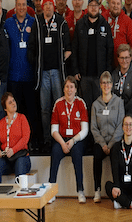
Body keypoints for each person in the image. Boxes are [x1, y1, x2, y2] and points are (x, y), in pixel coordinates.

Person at [28, 0, 72, 150]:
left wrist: (60, 61)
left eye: (50, 4)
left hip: (57, 73)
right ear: (42, 6)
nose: (48, 7)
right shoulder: (37, 22)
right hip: (43, 74)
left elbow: (68, 49)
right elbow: (31, 45)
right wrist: (36, 61)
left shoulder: (61, 22)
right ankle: (47, 139)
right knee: (45, 109)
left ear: (54, 7)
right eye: (45, 4)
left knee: (59, 107)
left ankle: (60, 137)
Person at [4, 0, 38, 148]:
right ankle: (16, 141)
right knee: (15, 112)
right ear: (15, 7)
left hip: (29, 75)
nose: (22, 7)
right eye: (19, 5)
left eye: (24, 5)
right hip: (13, 76)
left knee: (31, 111)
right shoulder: (8, 23)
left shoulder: (33, 21)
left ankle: (30, 141)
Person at [71, 0, 113, 116]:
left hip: (100, 77)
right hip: (84, 76)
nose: (93, 8)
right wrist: (76, 70)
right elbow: (75, 49)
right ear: (87, 7)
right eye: (91, 5)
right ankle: (87, 134)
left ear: (99, 7)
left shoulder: (105, 25)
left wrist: (107, 72)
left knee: (100, 107)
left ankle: (98, 134)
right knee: (85, 107)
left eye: (96, 5)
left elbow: (109, 50)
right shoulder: (80, 25)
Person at [49, 76, 89, 204]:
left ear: (76, 89)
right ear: (63, 89)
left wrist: (72, 141)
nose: (69, 90)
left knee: (77, 155)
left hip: (76, 139)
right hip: (61, 139)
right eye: (67, 87)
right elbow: (53, 130)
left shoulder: (81, 103)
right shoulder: (58, 103)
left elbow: (85, 130)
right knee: (54, 154)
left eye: (72, 87)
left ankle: (80, 190)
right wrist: (62, 143)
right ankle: (51, 190)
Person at [91, 71, 125, 202]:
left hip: (114, 141)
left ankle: (117, 188)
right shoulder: (95, 104)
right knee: (96, 156)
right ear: (100, 85)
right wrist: (103, 144)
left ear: (112, 85)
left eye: (108, 82)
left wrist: (110, 145)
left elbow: (121, 126)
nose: (106, 85)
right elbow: (93, 127)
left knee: (116, 157)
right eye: (103, 83)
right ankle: (97, 190)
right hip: (100, 142)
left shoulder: (119, 102)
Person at [105, 115, 132, 210]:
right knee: (108, 185)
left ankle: (121, 203)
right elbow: (114, 168)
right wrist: (116, 185)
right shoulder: (116, 147)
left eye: (130, 124)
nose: (128, 127)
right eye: (126, 124)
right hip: (121, 187)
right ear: (122, 127)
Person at [0, 93, 31, 183]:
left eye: (13, 100)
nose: (13, 103)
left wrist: (13, 150)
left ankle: (20, 194)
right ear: (5, 108)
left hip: (21, 157)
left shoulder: (22, 118)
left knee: (20, 164)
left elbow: (25, 138)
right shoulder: (1, 123)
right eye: (10, 102)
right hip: (6, 159)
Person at [107, 0, 132, 67]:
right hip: (105, 62)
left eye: (118, 4)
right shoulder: (103, 18)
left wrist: (128, 59)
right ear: (109, 3)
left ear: (121, 5)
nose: (115, 6)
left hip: (122, 64)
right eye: (113, 3)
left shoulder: (127, 21)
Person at [112, 44, 132, 112]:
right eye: (122, 58)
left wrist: (123, 109)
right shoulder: (114, 74)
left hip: (130, 110)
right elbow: (111, 93)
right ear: (118, 59)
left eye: (126, 57)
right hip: (115, 109)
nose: (124, 61)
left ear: (130, 58)